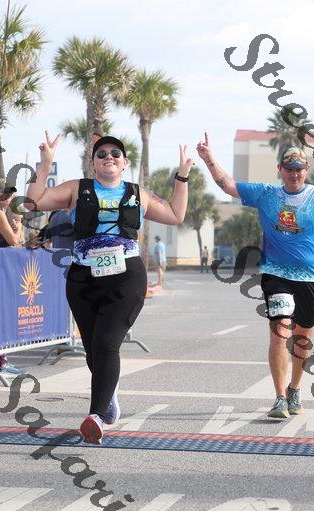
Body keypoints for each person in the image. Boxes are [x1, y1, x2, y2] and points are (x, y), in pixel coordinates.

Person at [197, 132, 314, 419]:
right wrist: (209, 159)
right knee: (279, 330)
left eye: (299, 169)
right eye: (288, 169)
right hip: (276, 274)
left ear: (306, 170)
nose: (294, 174)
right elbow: (228, 186)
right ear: (279, 170)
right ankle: (279, 397)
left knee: (302, 337)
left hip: (313, 278)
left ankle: (295, 388)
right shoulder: (266, 194)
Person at [27, 132, 193, 444]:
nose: (109, 158)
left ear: (125, 162)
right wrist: (45, 163)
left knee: (106, 344)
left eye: (115, 153)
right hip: (83, 278)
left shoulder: (137, 194)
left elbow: (175, 214)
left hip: (125, 277)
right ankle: (109, 396)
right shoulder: (77, 189)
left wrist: (182, 175)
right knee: (93, 350)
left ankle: (96, 416)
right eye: (101, 154)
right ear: (93, 163)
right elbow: (33, 202)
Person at [0, 179, 26, 376]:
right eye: (5, 192)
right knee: (1, 314)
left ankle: (1, 360)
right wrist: (19, 227)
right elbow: (13, 241)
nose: (9, 196)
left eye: (11, 193)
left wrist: (16, 231)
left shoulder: (0, 211)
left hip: (1, 269)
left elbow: (16, 243)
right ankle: (0, 362)